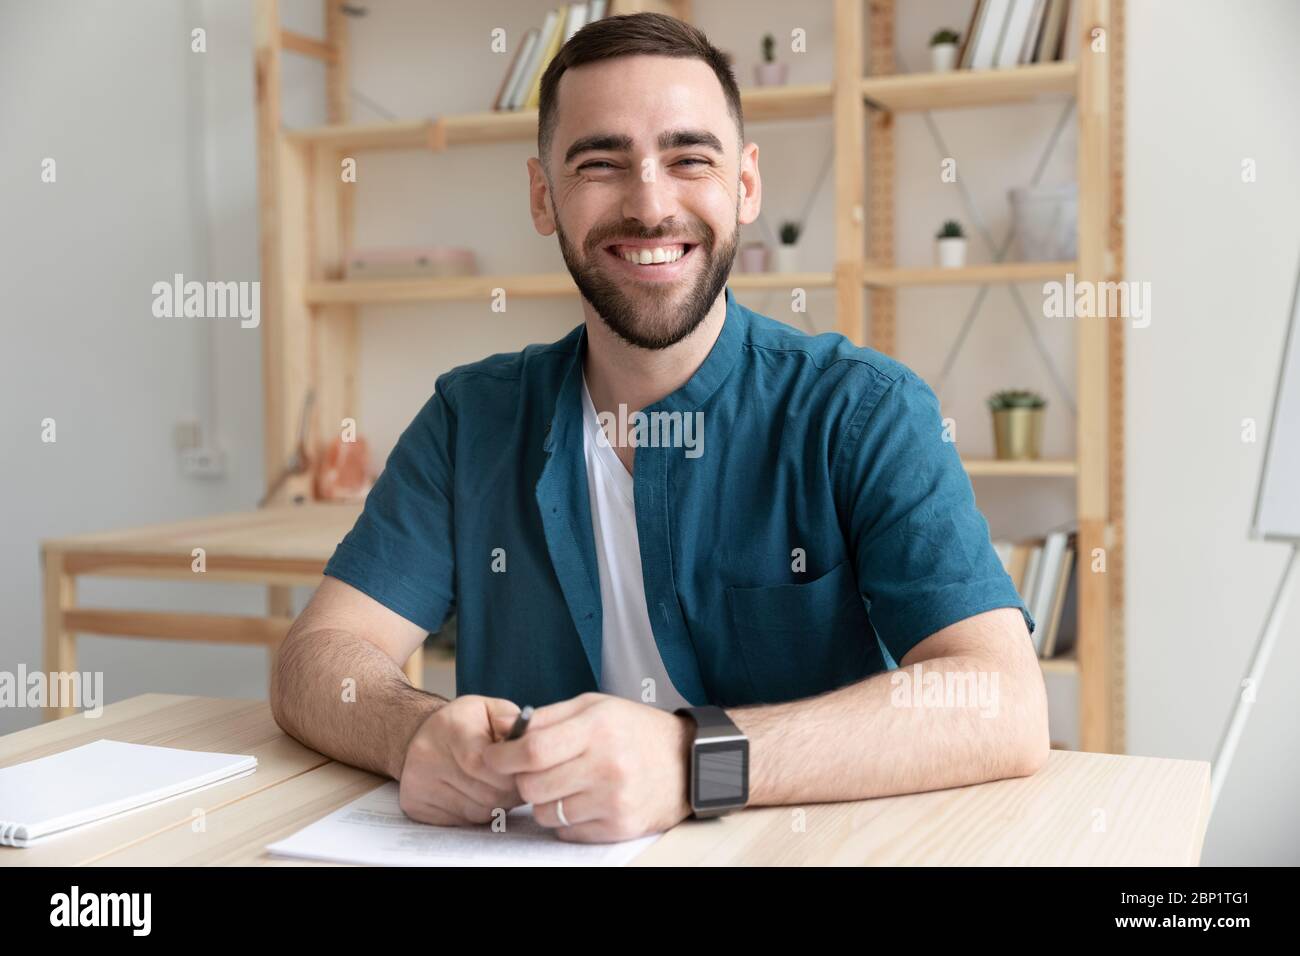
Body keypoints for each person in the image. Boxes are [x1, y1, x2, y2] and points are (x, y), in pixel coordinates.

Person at [271, 12, 1048, 845]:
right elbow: (318, 661)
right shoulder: (471, 419)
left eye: (689, 160)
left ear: (746, 185)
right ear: (544, 196)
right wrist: (410, 731)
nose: (650, 204)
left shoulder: (863, 411)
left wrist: (693, 761)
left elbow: (998, 700)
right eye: (600, 163)